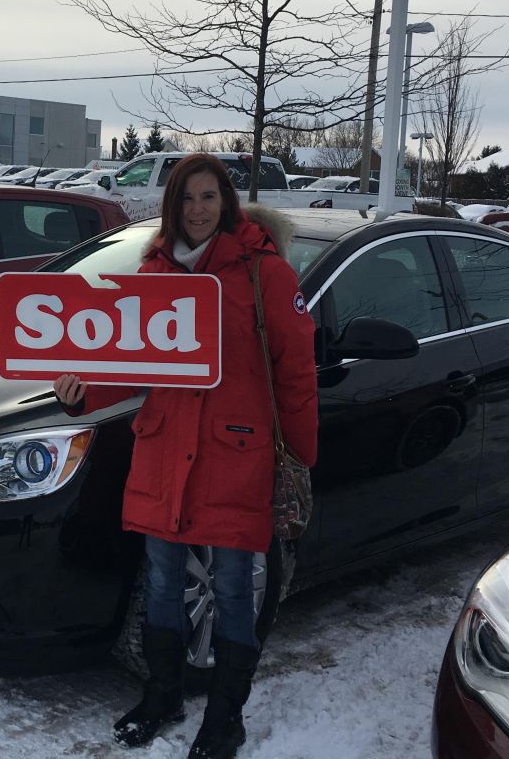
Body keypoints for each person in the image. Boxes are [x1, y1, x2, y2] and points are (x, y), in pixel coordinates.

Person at [53, 153, 318, 759]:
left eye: (209, 197)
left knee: (233, 589)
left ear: (227, 203)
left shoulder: (266, 274)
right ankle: (162, 695)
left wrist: (300, 453)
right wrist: (82, 393)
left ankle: (225, 718)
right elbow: (127, 363)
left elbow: (296, 373)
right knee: (163, 584)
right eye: (187, 198)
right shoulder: (153, 273)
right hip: (164, 453)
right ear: (172, 207)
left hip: (236, 456)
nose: (198, 210)